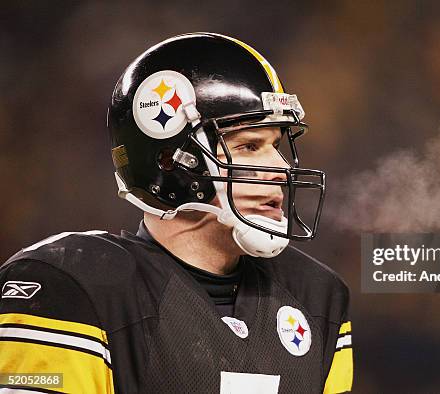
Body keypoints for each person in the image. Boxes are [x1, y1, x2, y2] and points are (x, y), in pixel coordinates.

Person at [0, 33, 352, 394]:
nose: (279, 168)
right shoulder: (71, 287)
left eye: (276, 145)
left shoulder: (316, 296)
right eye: (249, 146)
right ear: (172, 162)